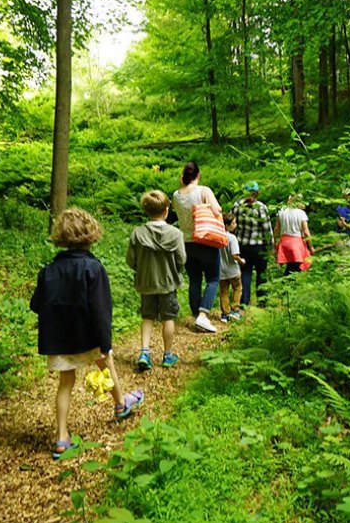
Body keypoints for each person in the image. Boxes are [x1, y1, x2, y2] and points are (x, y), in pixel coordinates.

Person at [30, 208, 144, 459]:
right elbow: (100, 310)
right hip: (88, 336)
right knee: (107, 362)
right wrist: (105, 343)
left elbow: (35, 304)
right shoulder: (93, 268)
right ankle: (120, 404)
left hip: (58, 339)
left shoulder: (49, 270)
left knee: (65, 383)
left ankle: (61, 438)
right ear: (90, 234)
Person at [126, 190, 186, 371]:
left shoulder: (138, 233)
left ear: (146, 210)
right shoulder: (175, 234)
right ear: (166, 210)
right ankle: (168, 355)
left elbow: (130, 260)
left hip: (146, 283)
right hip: (168, 283)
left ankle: (144, 352)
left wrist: (142, 269)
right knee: (168, 317)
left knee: (147, 316)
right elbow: (181, 259)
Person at [171, 161, 222, 333]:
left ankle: (195, 315)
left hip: (186, 243)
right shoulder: (203, 190)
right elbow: (217, 210)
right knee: (213, 279)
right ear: (198, 175)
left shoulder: (176, 195)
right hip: (205, 240)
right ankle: (203, 315)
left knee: (194, 279)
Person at [231, 181, 274, 309]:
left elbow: (232, 226)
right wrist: (270, 246)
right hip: (259, 246)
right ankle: (262, 301)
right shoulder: (260, 208)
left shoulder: (236, 206)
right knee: (261, 272)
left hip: (242, 246)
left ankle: (244, 302)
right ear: (257, 192)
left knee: (245, 272)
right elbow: (267, 229)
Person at [274, 194, 314, 275]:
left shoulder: (281, 212)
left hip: (284, 242)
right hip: (296, 242)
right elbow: (306, 231)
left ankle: (288, 282)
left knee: (291, 264)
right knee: (296, 265)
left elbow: (276, 229)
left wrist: (274, 243)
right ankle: (289, 283)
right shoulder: (301, 213)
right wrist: (311, 246)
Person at [218, 212, 245, 323]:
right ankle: (235, 311)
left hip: (220, 270)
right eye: (233, 223)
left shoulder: (217, 236)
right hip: (233, 270)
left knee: (224, 291)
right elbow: (234, 254)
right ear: (227, 225)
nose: (235, 225)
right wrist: (241, 260)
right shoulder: (231, 238)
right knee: (238, 288)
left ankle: (225, 314)